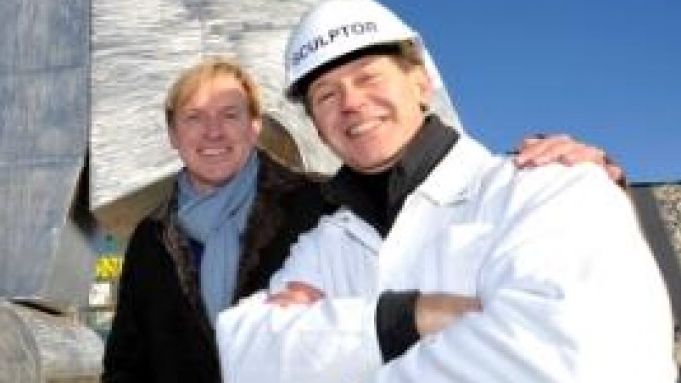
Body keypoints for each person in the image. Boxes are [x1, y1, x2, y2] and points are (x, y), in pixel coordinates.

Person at [216, 0, 674, 381]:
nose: (352, 103)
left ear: (421, 84)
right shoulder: (325, 242)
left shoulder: (551, 186)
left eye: (369, 77)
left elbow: (579, 360)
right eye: (327, 95)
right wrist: (404, 319)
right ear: (316, 126)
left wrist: (336, 349)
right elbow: (247, 359)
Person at [101, 57, 624, 382]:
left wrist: (582, 173)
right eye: (194, 118)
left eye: (230, 115)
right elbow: (127, 360)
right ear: (173, 135)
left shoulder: (320, 205)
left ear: (256, 127)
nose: (213, 132)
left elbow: (428, 220)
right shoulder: (151, 236)